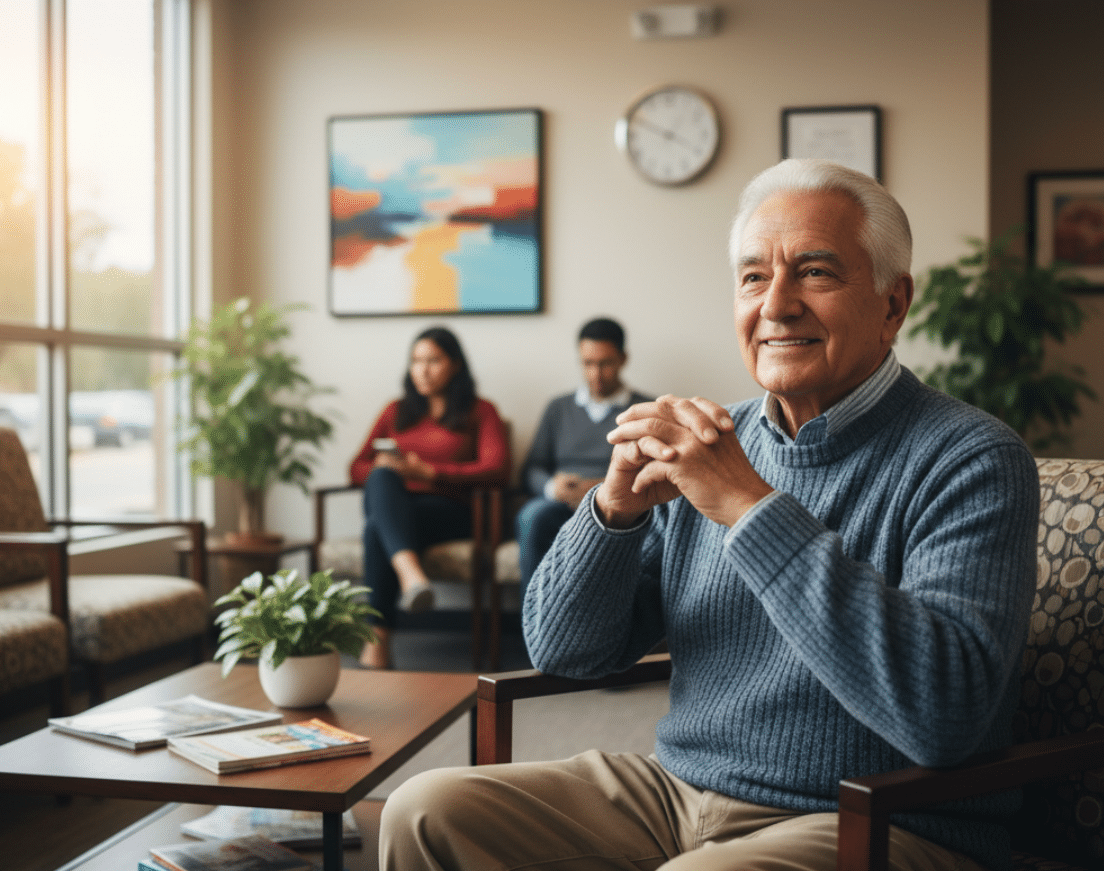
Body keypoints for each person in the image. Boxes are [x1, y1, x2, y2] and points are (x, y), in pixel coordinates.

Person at [379, 159, 1040, 871]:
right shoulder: (709, 440)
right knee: (425, 809)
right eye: (754, 277)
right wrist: (614, 512)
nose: (776, 304)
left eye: (815, 272)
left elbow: (943, 715)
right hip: (677, 792)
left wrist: (749, 507)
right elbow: (564, 650)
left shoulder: (972, 457)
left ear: (892, 303)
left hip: (873, 815)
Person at [348, 326, 509, 670]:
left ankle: (376, 647)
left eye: (433, 360)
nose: (423, 369)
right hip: (399, 508)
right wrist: (383, 466)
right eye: (416, 361)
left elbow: (497, 469)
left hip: (453, 511)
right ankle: (411, 575)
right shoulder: (395, 411)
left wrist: (431, 473)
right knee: (381, 477)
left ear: (454, 365)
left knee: (376, 529)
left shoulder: (480, 411)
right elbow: (355, 468)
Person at [515, 317, 651, 598]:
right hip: (560, 505)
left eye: (605, 363)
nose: (596, 374)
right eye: (588, 363)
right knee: (531, 516)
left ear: (623, 359)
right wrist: (553, 487)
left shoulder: (645, 408)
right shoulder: (559, 408)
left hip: (619, 505)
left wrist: (604, 487)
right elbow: (532, 468)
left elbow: (655, 470)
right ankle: (535, 624)